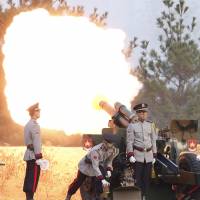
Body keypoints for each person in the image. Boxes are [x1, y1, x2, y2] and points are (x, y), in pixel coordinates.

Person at [65, 132, 119, 200]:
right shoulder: (95, 151)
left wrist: (109, 169)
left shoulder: (113, 150)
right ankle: (69, 195)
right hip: (86, 167)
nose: (110, 145)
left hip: (98, 165)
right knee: (79, 182)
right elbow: (95, 167)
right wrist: (102, 179)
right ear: (104, 142)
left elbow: (109, 161)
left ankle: (99, 196)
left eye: (112, 143)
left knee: (99, 182)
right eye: (108, 143)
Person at [126, 103, 157, 200]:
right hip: (138, 156)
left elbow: (153, 140)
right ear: (137, 114)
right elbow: (129, 141)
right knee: (137, 179)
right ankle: (137, 197)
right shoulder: (132, 126)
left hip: (148, 155)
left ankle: (144, 196)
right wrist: (130, 154)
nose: (143, 114)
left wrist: (154, 155)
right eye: (141, 112)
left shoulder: (150, 125)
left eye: (145, 112)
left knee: (146, 179)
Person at [23, 103, 43, 200]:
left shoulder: (28, 124)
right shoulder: (34, 125)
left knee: (29, 178)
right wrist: (38, 157)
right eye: (38, 110)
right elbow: (36, 142)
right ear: (33, 112)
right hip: (34, 156)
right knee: (33, 179)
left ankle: (29, 198)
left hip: (29, 154)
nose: (40, 112)